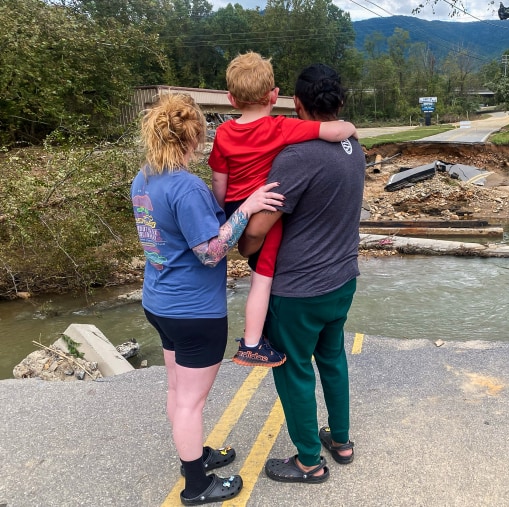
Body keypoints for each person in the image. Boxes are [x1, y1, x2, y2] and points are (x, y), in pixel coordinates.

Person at [131, 93, 284, 505]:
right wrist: (247, 207)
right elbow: (210, 251)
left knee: (177, 391)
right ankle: (197, 486)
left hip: (158, 302)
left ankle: (194, 457)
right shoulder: (187, 187)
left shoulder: (143, 178)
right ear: (193, 138)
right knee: (190, 402)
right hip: (195, 312)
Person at [238, 63, 364, 483]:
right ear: (340, 104)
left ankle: (308, 460)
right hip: (342, 278)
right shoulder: (353, 145)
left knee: (293, 370)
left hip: (300, 290)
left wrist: (243, 248)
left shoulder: (297, 157)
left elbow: (259, 226)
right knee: (332, 358)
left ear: (296, 103)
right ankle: (341, 440)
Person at [208, 51, 357, 368]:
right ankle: (251, 343)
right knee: (262, 279)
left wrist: (226, 219)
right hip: (267, 210)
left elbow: (219, 182)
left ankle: (250, 341)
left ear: (231, 99)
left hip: (237, 208)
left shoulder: (222, 133)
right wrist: (351, 130)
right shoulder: (280, 128)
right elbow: (329, 131)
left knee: (254, 265)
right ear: (275, 96)